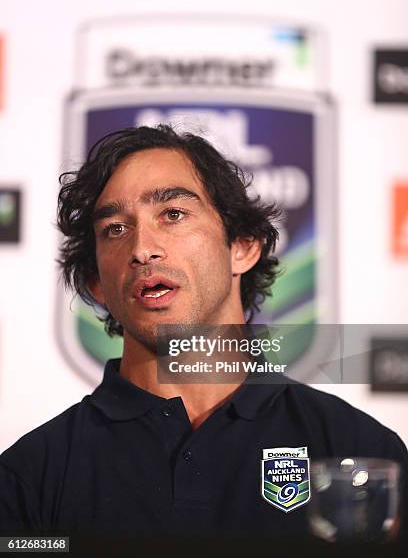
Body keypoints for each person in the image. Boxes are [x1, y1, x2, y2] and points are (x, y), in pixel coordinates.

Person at [0, 125, 407, 540]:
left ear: (243, 247)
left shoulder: (362, 451)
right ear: (97, 284)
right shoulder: (28, 478)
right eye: (116, 229)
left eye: (173, 214)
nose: (142, 248)